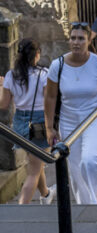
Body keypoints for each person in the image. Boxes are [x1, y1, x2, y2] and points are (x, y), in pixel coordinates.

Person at [43, 22, 97, 205]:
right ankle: (85, 206)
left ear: (88, 41)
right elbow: (50, 97)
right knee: (76, 168)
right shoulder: (58, 65)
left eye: (81, 38)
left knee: (91, 160)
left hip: (96, 117)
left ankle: (95, 203)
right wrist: (49, 127)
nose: (76, 42)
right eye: (73, 38)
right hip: (69, 119)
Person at [0, 38, 56, 205]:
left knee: (34, 163)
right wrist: (50, 127)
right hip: (39, 122)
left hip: (19, 123)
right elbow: (49, 103)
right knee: (33, 171)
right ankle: (21, 208)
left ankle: (46, 195)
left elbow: (3, 104)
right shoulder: (43, 74)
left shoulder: (11, 75)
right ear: (37, 55)